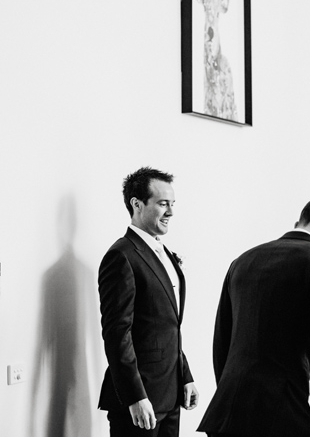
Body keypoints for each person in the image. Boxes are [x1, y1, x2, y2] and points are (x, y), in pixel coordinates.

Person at [197, 196, 310, 437]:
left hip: (226, 413)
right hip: (281, 414)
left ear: (299, 222)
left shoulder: (242, 261)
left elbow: (222, 341)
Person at [98, 167, 199, 437]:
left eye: (173, 204)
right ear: (137, 204)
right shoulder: (121, 256)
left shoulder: (163, 252)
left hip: (171, 394)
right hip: (139, 401)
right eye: (163, 203)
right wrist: (135, 397)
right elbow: (117, 333)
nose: (171, 212)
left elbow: (167, 325)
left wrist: (185, 376)